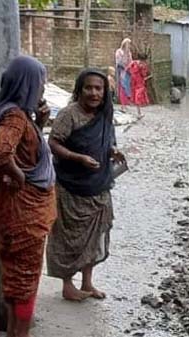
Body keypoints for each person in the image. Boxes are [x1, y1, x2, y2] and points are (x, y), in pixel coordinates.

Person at [0, 55, 56, 337]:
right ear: (26, 84)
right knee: (25, 281)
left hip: (15, 213)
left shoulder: (0, 108)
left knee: (16, 279)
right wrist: (20, 176)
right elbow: (0, 151)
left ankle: (16, 331)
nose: (43, 89)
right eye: (40, 83)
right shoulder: (14, 116)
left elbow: (22, 148)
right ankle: (20, 333)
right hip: (23, 215)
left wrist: (39, 121)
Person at [47, 69, 126, 302]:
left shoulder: (104, 115)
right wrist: (76, 157)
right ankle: (68, 284)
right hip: (71, 188)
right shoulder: (69, 115)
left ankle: (87, 282)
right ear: (79, 90)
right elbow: (53, 143)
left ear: (105, 92)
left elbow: (107, 142)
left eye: (98, 88)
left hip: (98, 187)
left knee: (95, 235)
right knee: (69, 237)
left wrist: (113, 151)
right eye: (88, 88)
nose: (93, 93)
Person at [115, 38, 133, 111]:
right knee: (122, 87)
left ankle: (126, 103)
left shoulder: (129, 53)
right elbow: (118, 62)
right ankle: (123, 105)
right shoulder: (119, 51)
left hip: (127, 71)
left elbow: (131, 62)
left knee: (127, 87)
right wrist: (125, 67)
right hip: (121, 71)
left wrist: (130, 68)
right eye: (128, 44)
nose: (129, 46)